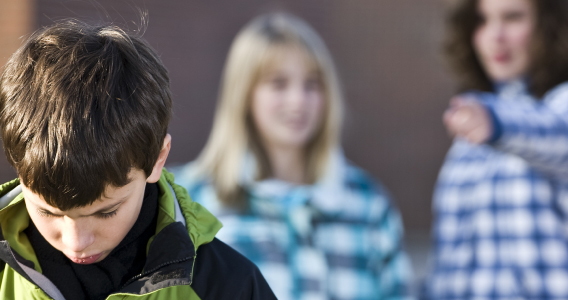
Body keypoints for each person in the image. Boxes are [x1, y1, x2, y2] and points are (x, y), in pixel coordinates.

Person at [0, 20, 274, 300]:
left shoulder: (230, 288)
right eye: (49, 212)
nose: (76, 241)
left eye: (105, 212)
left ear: (157, 160)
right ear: (17, 168)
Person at [425, 0, 568, 298]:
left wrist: (497, 123)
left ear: (552, 24)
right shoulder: (479, 112)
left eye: (513, 18)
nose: (495, 35)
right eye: (482, 20)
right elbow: (450, 261)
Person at [172, 12, 412, 300]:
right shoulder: (194, 202)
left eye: (312, 84)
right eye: (279, 84)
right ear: (244, 94)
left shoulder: (369, 204)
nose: (298, 101)